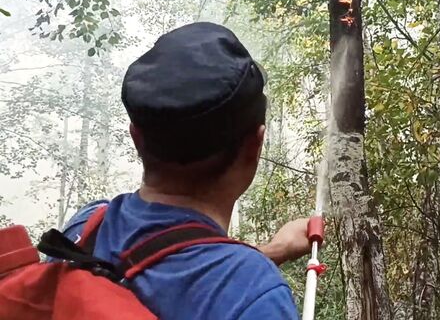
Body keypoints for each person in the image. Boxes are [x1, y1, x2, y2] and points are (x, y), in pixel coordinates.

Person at [59, 22, 311, 319]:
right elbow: (189, 274)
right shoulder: (256, 296)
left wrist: (275, 250)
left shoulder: (86, 230)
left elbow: (160, 272)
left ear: (136, 137)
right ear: (255, 146)